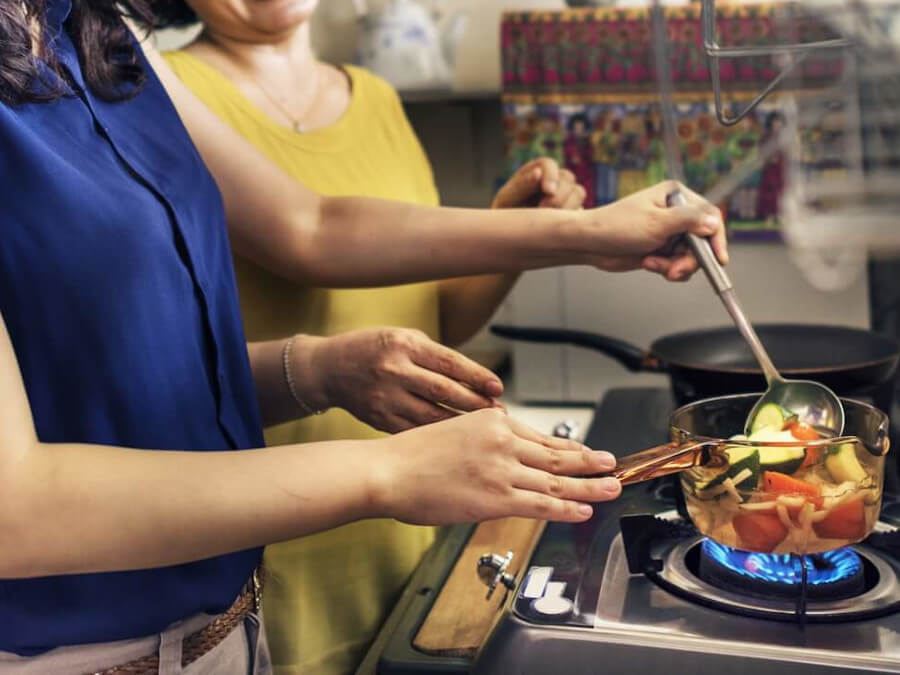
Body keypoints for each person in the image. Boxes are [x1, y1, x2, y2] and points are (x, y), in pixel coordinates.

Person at [0, 1, 727, 672]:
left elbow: (310, 226)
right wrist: (391, 471)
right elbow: (15, 510)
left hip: (231, 637)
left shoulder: (94, 32)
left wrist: (315, 370)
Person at [161, 2, 587, 670]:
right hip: (273, 554)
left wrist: (511, 235)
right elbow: (313, 235)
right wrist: (585, 235)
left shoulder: (379, 99)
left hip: (414, 530)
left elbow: (429, 324)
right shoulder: (164, 91)